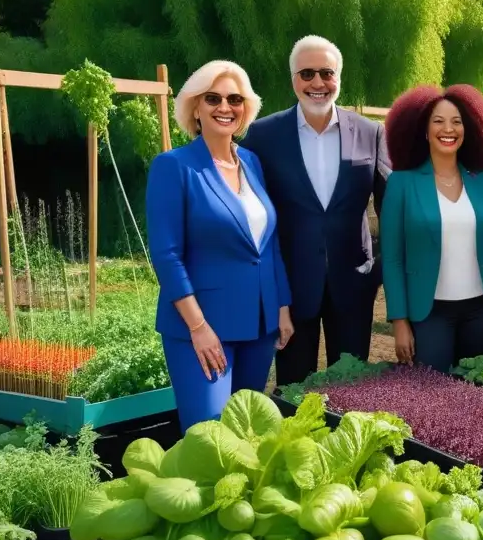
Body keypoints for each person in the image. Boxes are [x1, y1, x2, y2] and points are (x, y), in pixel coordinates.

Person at [146, 60, 294, 432]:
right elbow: (166, 254)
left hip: (259, 326)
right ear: (195, 107)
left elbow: (268, 242)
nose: (225, 107)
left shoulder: (251, 162)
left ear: (245, 109)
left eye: (234, 99)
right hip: (203, 327)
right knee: (207, 437)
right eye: (213, 98)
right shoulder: (173, 166)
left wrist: (282, 306)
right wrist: (198, 327)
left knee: (246, 436)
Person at [241, 35, 391, 385]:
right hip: (291, 290)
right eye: (307, 74)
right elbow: (250, 215)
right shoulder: (262, 136)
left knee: (352, 392)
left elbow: (391, 209)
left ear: (339, 77)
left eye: (327, 73)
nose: (318, 83)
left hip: (354, 286)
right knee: (293, 391)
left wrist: (378, 273)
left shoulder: (371, 133)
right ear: (293, 78)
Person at [381, 84, 483, 373]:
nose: (449, 129)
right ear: (424, 130)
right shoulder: (401, 184)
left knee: (480, 394)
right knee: (432, 397)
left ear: (468, 129)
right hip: (428, 313)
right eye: (439, 121)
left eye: (457, 122)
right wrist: (399, 321)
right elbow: (393, 258)